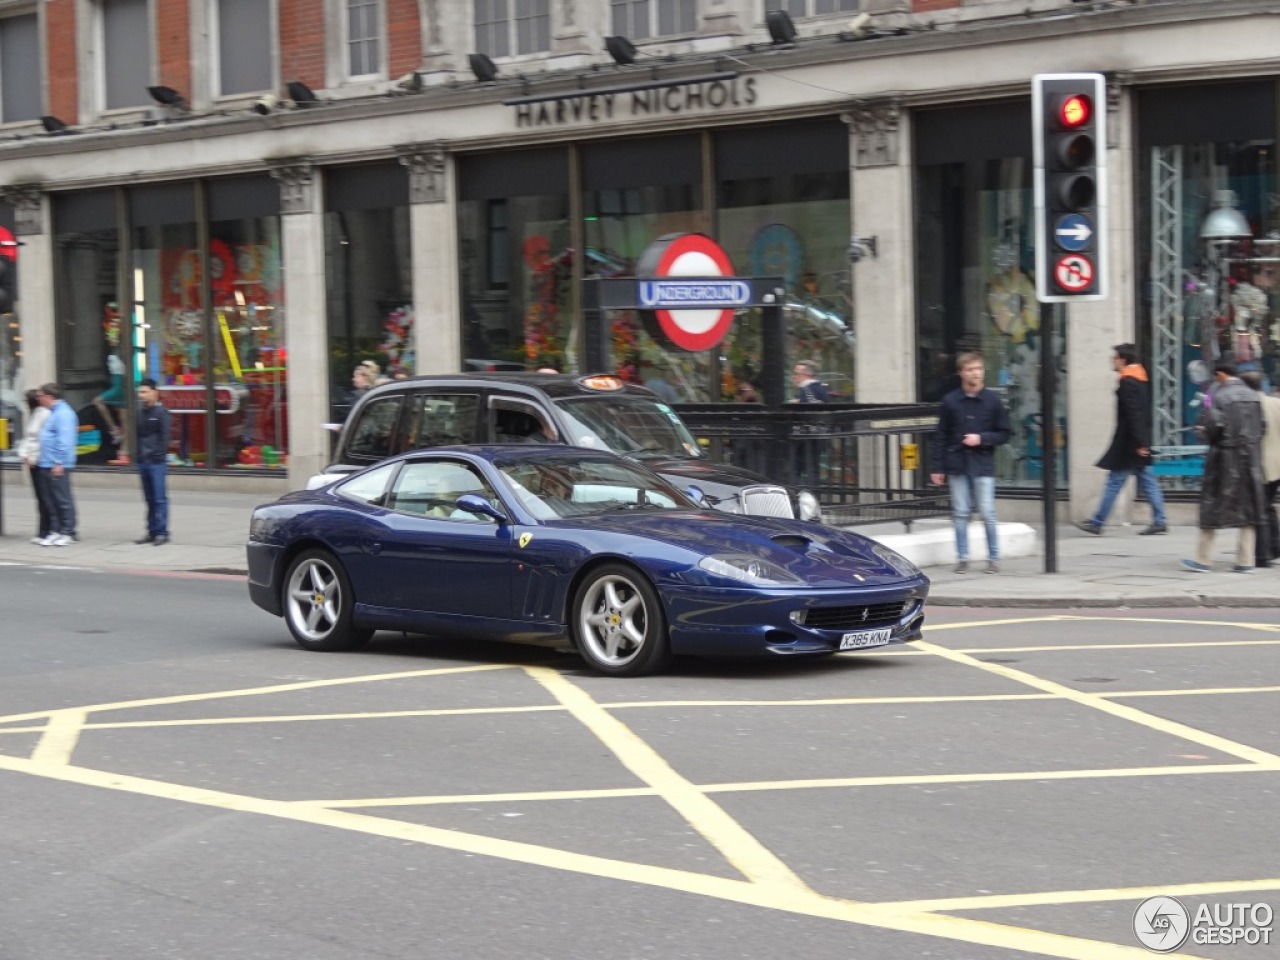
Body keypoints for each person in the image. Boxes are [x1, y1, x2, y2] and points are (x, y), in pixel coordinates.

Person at [930, 352, 1011, 574]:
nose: (976, 373)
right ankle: (963, 558)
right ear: (961, 373)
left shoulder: (993, 401)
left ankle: (994, 557)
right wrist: (937, 467)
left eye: (979, 369)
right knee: (961, 513)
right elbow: (940, 435)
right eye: (971, 369)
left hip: (982, 462)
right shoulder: (950, 401)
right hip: (957, 462)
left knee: (987, 512)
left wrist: (982, 439)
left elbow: (1005, 433)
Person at [1181, 363, 1266, 573]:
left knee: (1212, 506)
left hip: (1224, 459)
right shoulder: (1254, 396)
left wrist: (1204, 431)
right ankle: (1245, 561)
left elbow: (1215, 428)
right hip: (1251, 458)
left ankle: (1203, 559)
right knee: (1248, 509)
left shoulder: (1221, 397)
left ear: (1220, 374)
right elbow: (1262, 426)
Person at [1076, 344, 1168, 536]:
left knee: (1114, 482)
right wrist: (1144, 441)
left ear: (1123, 360)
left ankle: (1097, 522)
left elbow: (1134, 414)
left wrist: (1140, 443)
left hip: (1129, 444)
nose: (1112, 361)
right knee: (1147, 481)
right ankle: (1160, 520)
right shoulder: (1141, 379)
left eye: (1114, 357)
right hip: (1138, 441)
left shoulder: (1128, 382)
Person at [1241, 370, 1280, 567]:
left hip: (1260, 464)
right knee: (1267, 506)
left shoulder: (1250, 406)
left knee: (1259, 509)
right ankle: (1274, 546)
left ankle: (1262, 555)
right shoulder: (1276, 403)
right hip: (1277, 464)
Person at [34, 382, 79, 547]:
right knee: (50, 500)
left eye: (40, 396)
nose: (38, 399)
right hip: (47, 463)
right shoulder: (54, 413)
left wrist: (59, 462)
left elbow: (65, 440)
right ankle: (55, 530)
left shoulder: (63, 414)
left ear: (48, 397)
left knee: (62, 499)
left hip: (57, 464)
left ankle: (68, 531)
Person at [134, 378, 172, 546]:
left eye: (144, 391)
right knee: (149, 499)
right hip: (143, 461)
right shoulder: (141, 412)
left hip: (156, 463)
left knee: (159, 499)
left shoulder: (161, 413)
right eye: (140, 392)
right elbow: (138, 435)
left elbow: (165, 438)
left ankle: (162, 532)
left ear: (154, 393)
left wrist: (158, 454)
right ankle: (151, 531)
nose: (141, 395)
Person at [17, 388, 53, 544]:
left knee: (44, 497)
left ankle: (47, 530)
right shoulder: (34, 415)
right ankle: (43, 530)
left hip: (40, 462)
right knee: (39, 497)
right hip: (33, 462)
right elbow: (28, 439)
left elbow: (41, 441)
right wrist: (23, 454)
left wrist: (32, 457)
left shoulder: (44, 414)